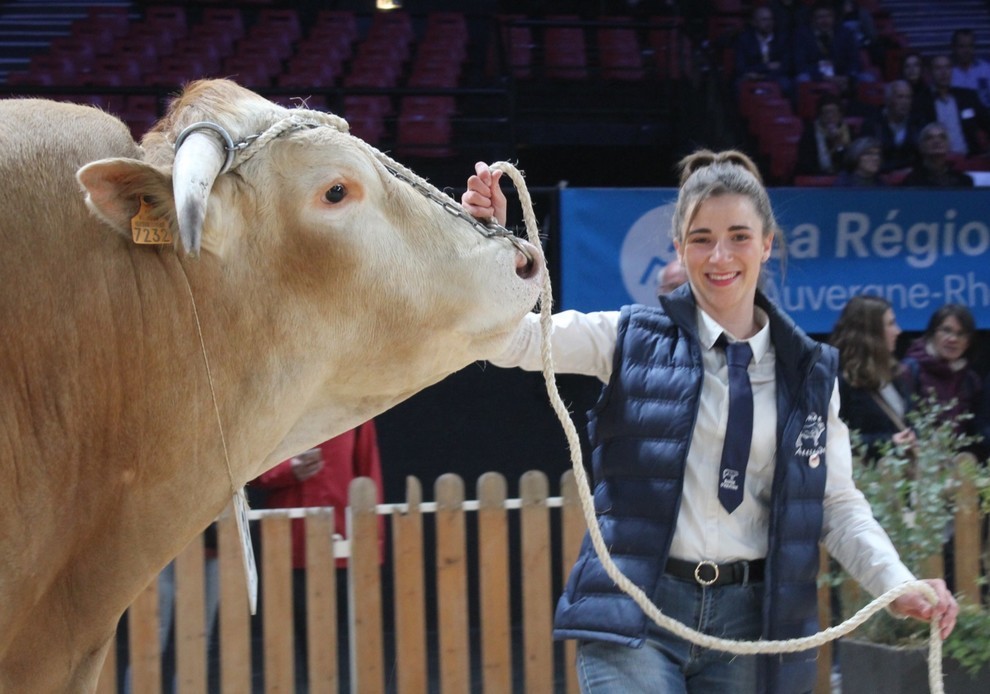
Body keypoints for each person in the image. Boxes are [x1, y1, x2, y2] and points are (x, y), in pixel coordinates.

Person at [462, 152, 957, 693]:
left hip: (750, 624)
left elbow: (836, 505)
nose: (720, 255)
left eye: (739, 236)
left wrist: (897, 583)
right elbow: (509, 339)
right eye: (701, 238)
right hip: (637, 614)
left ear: (767, 244)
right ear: (678, 248)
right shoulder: (624, 336)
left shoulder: (812, 373)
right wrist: (490, 241)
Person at [252, 422, 385, 690]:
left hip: (342, 544)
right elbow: (251, 470)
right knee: (288, 646)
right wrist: (287, 471)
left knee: (341, 642)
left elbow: (369, 476)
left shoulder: (356, 414)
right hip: (288, 546)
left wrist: (374, 544)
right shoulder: (281, 410)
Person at [829, 295, 915, 461]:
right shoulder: (840, 381)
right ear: (870, 332)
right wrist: (888, 442)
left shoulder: (895, 375)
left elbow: (910, 420)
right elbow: (831, 439)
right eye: (890, 324)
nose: (898, 331)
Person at [901, 304, 983, 440]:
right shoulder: (909, 370)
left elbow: (977, 431)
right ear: (932, 334)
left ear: (968, 342)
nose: (953, 339)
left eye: (960, 334)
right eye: (946, 330)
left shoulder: (971, 380)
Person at [915, 53, 990, 157]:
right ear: (929, 73)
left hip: (968, 158)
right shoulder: (921, 101)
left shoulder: (968, 97)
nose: (944, 73)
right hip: (935, 161)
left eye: (947, 67)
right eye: (938, 68)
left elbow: (987, 122)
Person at [793, 1, 866, 97]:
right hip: (816, 75)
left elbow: (854, 60)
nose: (825, 20)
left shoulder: (845, 33)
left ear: (834, 18)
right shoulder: (803, 35)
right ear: (813, 20)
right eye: (820, 17)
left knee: (867, 78)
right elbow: (800, 64)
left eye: (828, 16)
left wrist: (847, 77)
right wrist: (826, 78)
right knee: (802, 78)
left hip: (842, 75)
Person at [860, 79, 924, 172]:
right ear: (888, 100)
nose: (905, 102)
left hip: (912, 178)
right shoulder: (872, 124)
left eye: (908, 97)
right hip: (880, 178)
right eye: (900, 97)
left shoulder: (918, 123)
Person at [733, 5, 794, 100]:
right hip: (751, 77)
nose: (768, 23)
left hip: (775, 76)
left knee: (787, 84)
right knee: (739, 85)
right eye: (764, 20)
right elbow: (740, 67)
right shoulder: (744, 40)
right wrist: (766, 67)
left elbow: (786, 65)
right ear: (754, 23)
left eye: (770, 19)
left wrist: (764, 76)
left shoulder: (782, 38)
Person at [899, 122, 975, 187]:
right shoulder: (911, 182)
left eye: (942, 137)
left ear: (949, 146)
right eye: (929, 138)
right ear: (921, 147)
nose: (937, 141)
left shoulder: (964, 181)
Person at [797, 93, 852, 175]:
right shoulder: (809, 133)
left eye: (833, 112)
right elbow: (805, 163)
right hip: (816, 177)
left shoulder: (849, 131)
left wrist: (839, 146)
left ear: (840, 115)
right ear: (820, 115)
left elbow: (850, 164)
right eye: (826, 112)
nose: (830, 116)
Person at [949, 28, 990, 108]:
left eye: (970, 46)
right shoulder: (947, 71)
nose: (966, 51)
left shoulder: (986, 69)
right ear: (954, 48)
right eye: (962, 46)